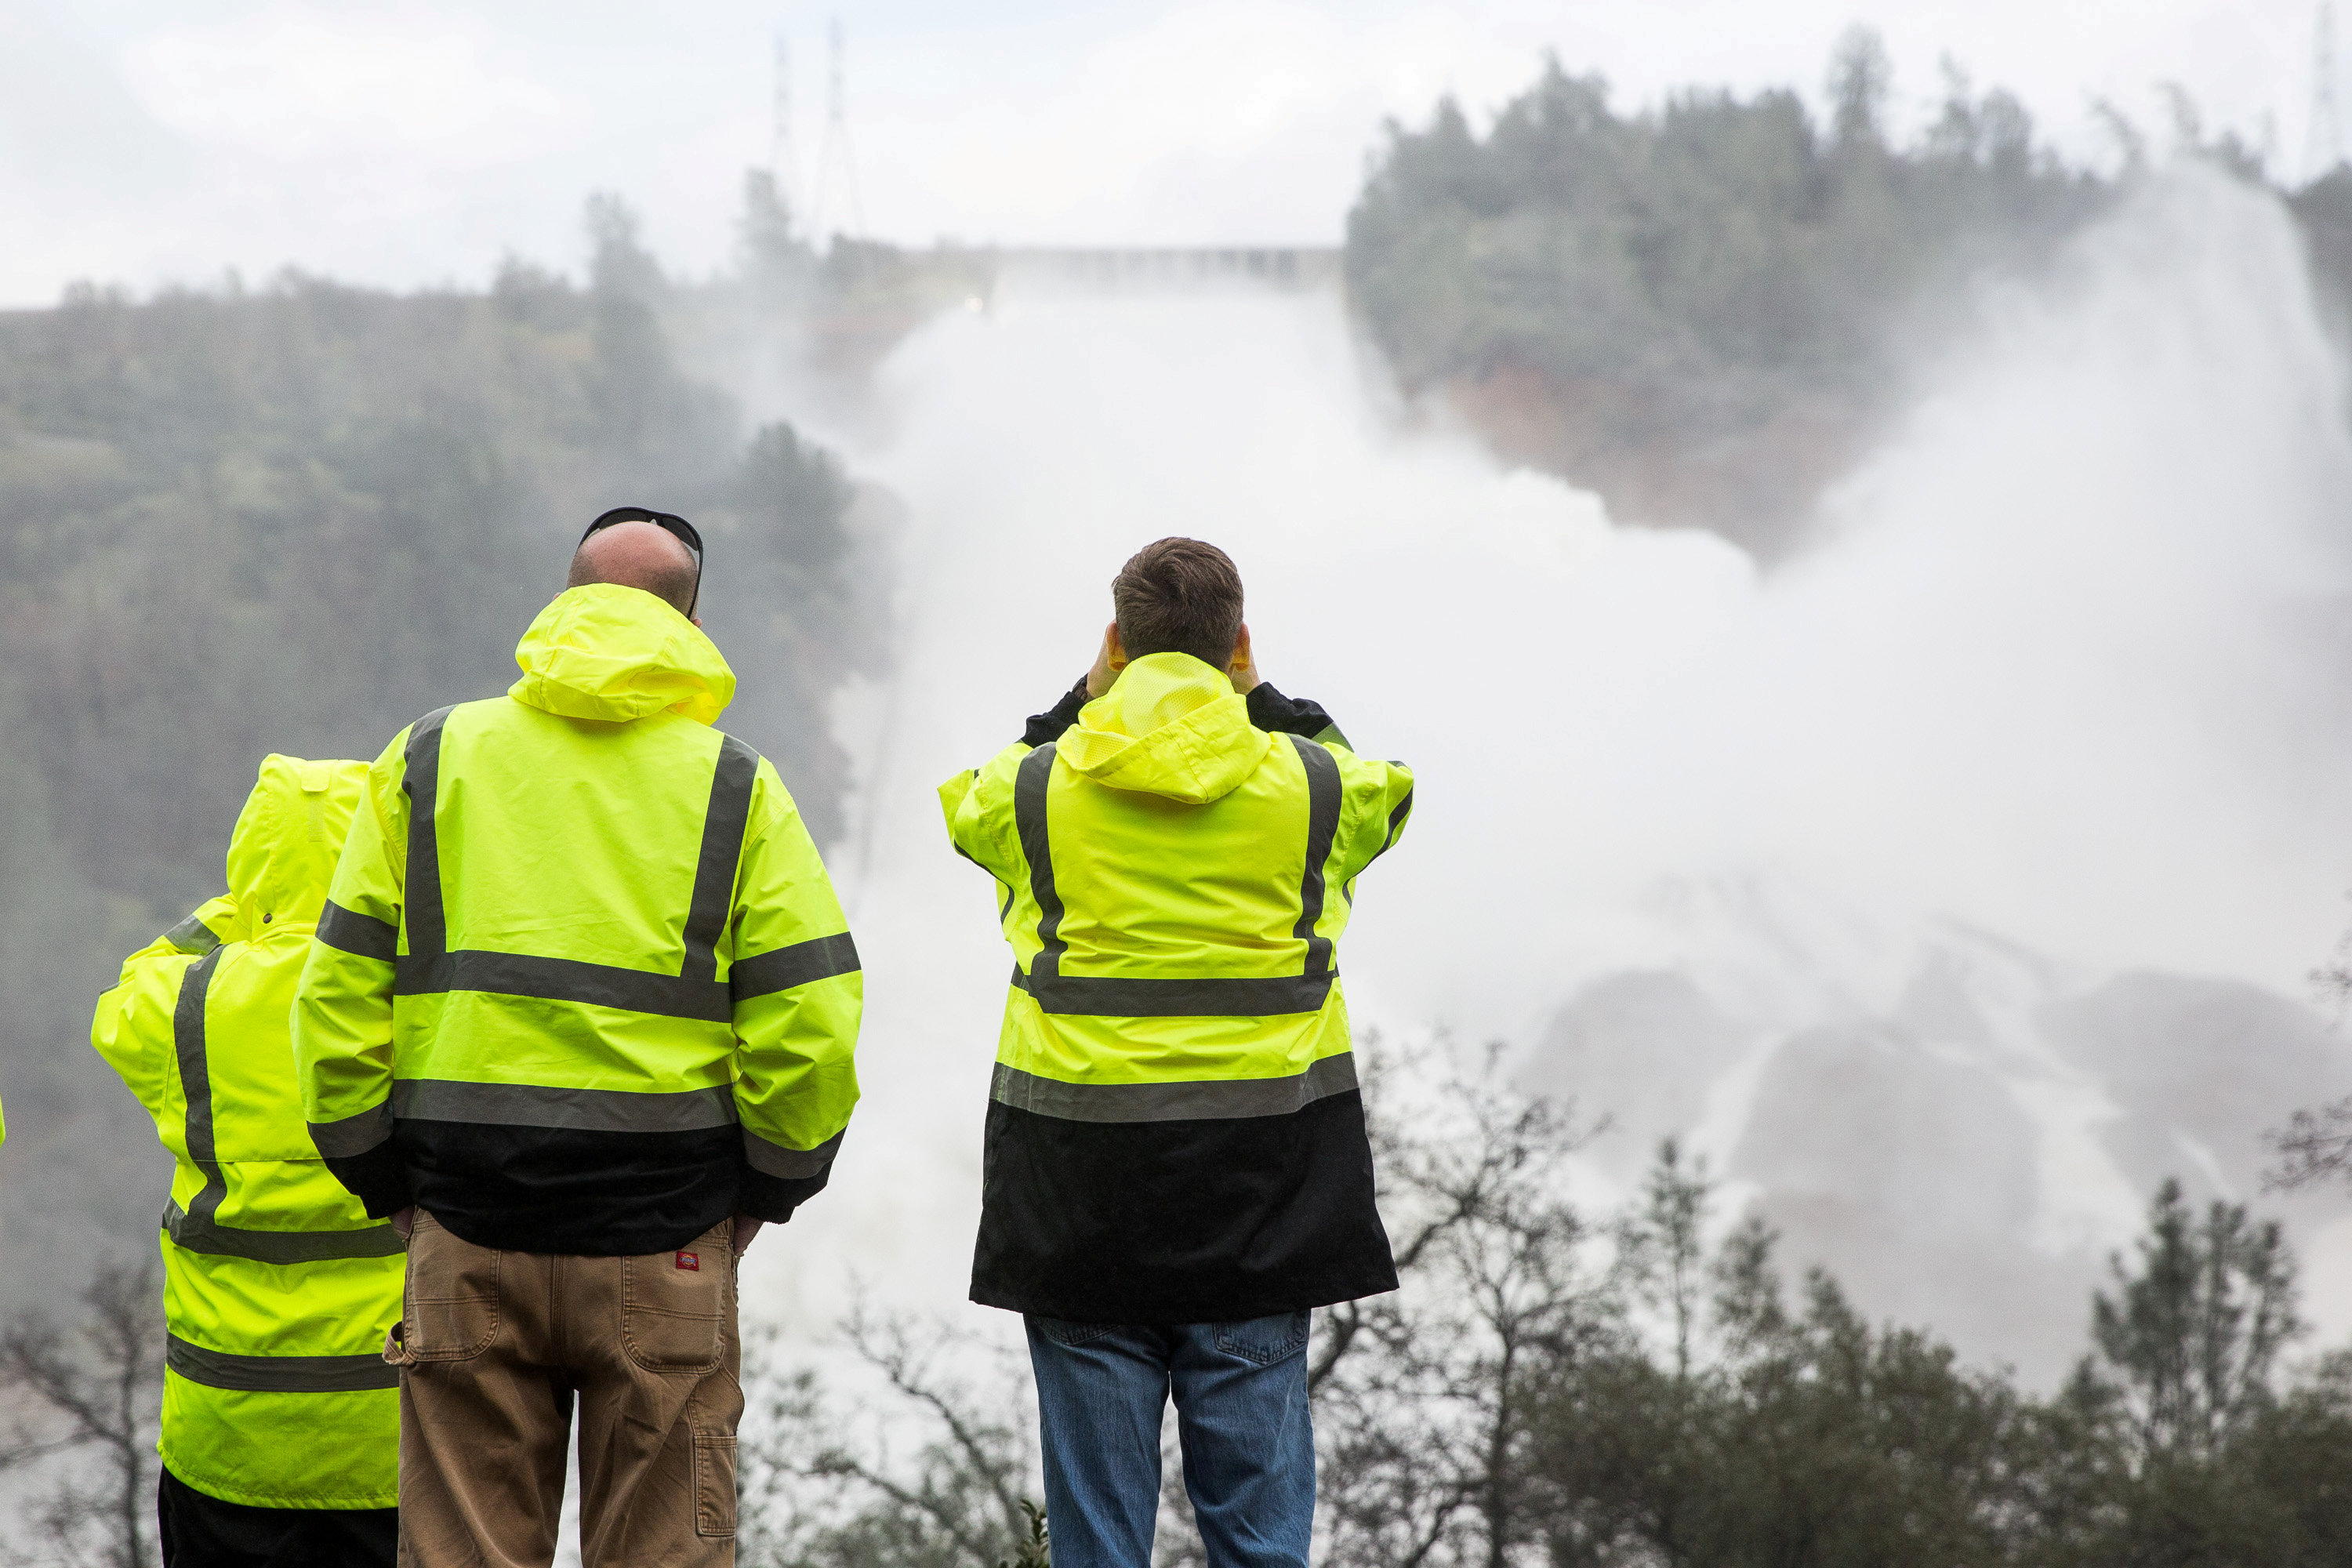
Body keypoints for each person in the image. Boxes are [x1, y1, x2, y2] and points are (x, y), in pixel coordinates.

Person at [294, 508, 865, 1568]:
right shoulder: (735, 785)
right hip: (667, 1242)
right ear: (691, 623)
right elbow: (811, 1023)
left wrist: (386, 1182)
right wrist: (765, 1192)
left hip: (466, 1235)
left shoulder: (430, 758)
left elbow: (334, 999)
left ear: (566, 600)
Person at [938, 537, 1416, 1568]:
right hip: (1262, 1197)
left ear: (1113, 645)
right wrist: (1263, 695)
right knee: (1258, 1541)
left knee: (1100, 1541)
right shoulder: (1317, 791)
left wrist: (1086, 700)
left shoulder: (1031, 795)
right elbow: (1378, 782)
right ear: (1238, 644)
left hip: (1078, 1198)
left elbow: (983, 786)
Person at [91, 753, 404, 1567]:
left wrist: (242, 912)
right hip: (394, 1428)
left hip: (226, 1430)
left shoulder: (186, 1002)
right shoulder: (412, 997)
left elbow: (128, 985)